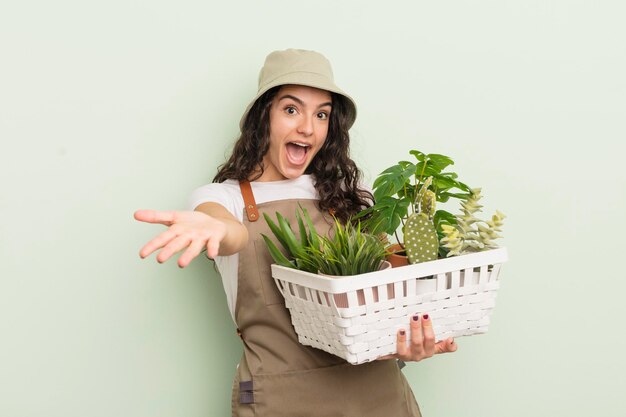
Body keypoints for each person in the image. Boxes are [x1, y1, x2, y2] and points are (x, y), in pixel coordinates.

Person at [135, 49, 457, 416]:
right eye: (291, 109)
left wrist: (407, 344)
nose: (308, 127)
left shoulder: (353, 196)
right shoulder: (222, 198)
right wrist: (214, 226)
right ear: (264, 118)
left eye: (321, 114)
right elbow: (233, 235)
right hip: (282, 402)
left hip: (378, 397)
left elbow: (383, 302)